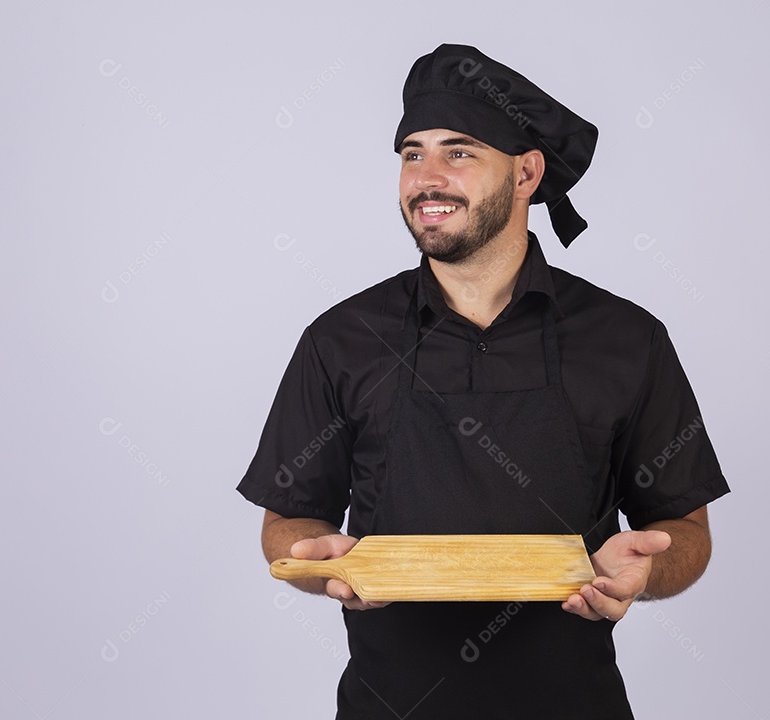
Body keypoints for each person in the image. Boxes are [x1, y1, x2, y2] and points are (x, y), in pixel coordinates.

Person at [237, 43, 729, 719]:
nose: (426, 178)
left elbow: (686, 528)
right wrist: (324, 561)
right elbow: (287, 519)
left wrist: (647, 571)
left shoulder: (625, 339)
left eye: (458, 151)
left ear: (527, 173)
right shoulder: (342, 340)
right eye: (412, 153)